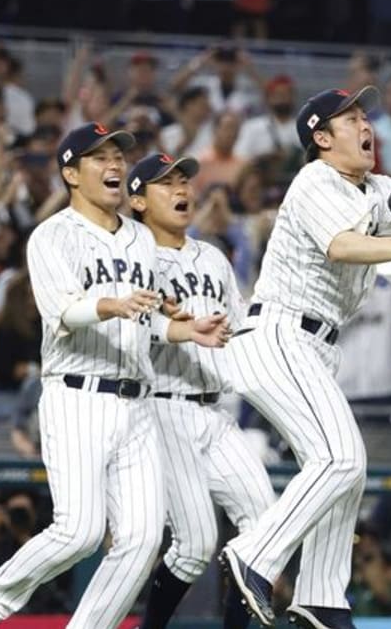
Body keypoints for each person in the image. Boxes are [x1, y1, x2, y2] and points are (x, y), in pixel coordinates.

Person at [0, 123, 228, 629]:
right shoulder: (52, 236)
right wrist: (111, 303)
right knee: (80, 531)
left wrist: (185, 332)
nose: (115, 165)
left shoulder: (141, 240)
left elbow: (146, 321)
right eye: (99, 157)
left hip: (139, 400)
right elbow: (62, 312)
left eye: (118, 156)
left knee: (144, 538)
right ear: (70, 173)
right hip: (78, 394)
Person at [219, 88, 391, 629]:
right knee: (341, 458)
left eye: (365, 116)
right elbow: (344, 244)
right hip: (278, 332)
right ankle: (254, 555)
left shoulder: (376, 187)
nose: (365, 125)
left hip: (315, 345)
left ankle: (322, 598)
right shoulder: (315, 179)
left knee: (346, 473)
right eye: (351, 118)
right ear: (322, 138)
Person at [125, 153, 275, 629]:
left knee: (265, 526)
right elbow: (131, 326)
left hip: (216, 410)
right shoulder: (133, 256)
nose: (180, 190)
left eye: (183, 180)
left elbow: (241, 323)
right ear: (138, 200)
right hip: (163, 407)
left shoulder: (211, 255)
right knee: (193, 547)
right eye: (165, 184)